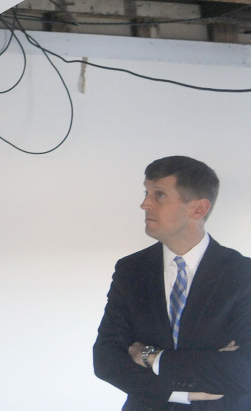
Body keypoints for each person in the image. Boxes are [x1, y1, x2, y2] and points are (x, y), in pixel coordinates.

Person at [94, 156, 251, 410]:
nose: (145, 204)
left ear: (198, 209)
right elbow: (106, 359)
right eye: (146, 193)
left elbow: (244, 370)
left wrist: (151, 356)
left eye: (159, 195)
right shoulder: (131, 270)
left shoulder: (243, 274)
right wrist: (179, 393)